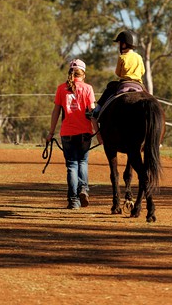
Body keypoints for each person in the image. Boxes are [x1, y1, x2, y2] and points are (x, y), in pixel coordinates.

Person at [48, 59, 96, 209]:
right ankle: (83, 189)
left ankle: (73, 200)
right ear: (84, 74)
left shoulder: (61, 89)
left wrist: (50, 133)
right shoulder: (88, 89)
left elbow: (56, 112)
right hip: (85, 133)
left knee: (71, 165)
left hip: (67, 133)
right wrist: (99, 135)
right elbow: (92, 113)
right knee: (82, 162)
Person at [91, 30, 145, 118]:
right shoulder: (139, 57)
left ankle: (96, 111)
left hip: (125, 83)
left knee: (109, 89)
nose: (118, 46)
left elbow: (118, 73)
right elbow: (143, 71)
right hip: (139, 84)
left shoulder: (122, 57)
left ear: (123, 44)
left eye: (119, 43)